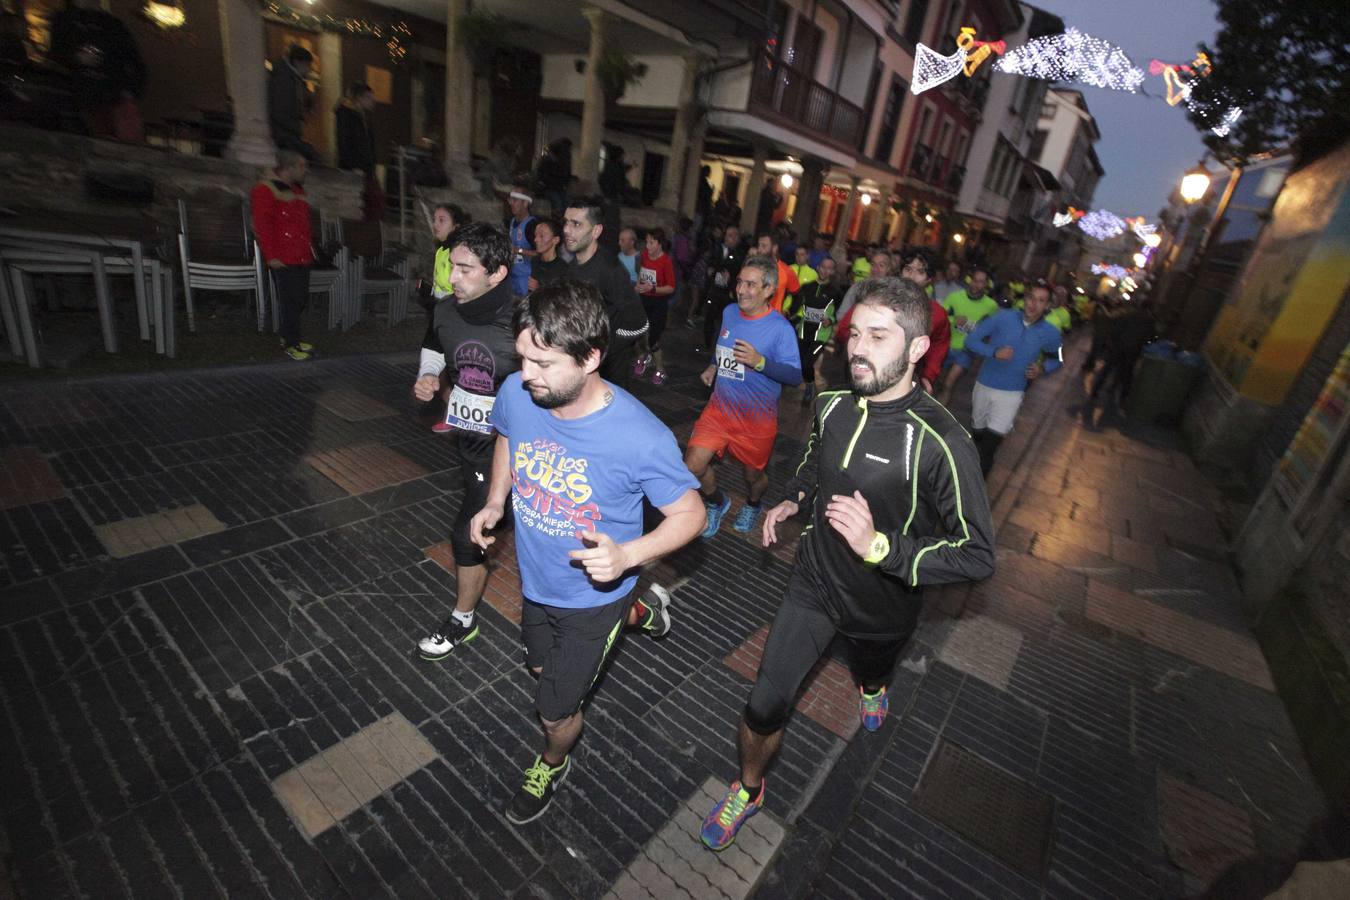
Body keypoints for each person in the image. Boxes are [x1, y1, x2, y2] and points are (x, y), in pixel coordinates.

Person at [699, 276, 995, 852]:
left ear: (914, 350)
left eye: (877, 337)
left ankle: (875, 683)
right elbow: (813, 464)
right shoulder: (833, 405)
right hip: (813, 583)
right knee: (764, 703)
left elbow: (978, 552)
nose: (857, 348)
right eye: (855, 332)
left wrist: (880, 548)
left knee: (872, 666)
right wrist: (794, 497)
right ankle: (751, 786)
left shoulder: (943, 441)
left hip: (884, 604)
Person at [479, 279, 706, 823]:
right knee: (539, 670)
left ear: (591, 356)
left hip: (594, 594)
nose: (526, 374)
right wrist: (494, 502)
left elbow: (691, 514)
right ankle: (643, 611)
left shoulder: (639, 436)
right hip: (536, 583)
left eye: (543, 363)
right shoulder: (519, 392)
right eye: (522, 358)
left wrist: (627, 557)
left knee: (554, 710)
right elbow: (508, 435)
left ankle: (552, 762)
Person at [411, 222, 522, 660]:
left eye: (465, 269)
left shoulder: (523, 318)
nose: (452, 277)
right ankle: (466, 617)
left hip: (523, 449)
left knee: (473, 534)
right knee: (476, 530)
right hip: (473, 443)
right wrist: (427, 375)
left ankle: (463, 620)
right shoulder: (444, 309)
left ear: (496, 273)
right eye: (451, 267)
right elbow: (435, 344)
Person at [685, 255, 801, 537]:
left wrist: (759, 361)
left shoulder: (780, 329)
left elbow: (795, 376)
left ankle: (753, 503)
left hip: (756, 420)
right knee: (692, 466)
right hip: (720, 410)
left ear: (768, 290)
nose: (741, 290)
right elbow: (722, 344)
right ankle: (716, 502)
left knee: (753, 477)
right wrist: (713, 365)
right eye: (740, 282)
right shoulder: (730, 312)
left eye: (751, 284)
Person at [963, 281, 1064, 475]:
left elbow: (1058, 358)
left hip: (1013, 393)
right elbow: (971, 340)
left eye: (1041, 301)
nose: (1033, 304)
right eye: (1031, 298)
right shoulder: (1002, 317)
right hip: (985, 384)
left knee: (990, 445)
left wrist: (1042, 368)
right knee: (978, 433)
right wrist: (994, 352)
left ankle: (976, 488)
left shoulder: (1050, 332)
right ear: (1024, 298)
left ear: (1048, 306)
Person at [560, 196, 649, 387]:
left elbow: (639, 323)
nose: (567, 229)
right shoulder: (571, 268)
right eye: (566, 222)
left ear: (596, 231)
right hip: (580, 368)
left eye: (576, 224)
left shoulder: (611, 270)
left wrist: (604, 348)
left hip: (608, 378)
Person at [50, 0, 145, 141]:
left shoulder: (113, 24)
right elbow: (55, 56)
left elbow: (135, 63)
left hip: (112, 98)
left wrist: (128, 92)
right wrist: (77, 58)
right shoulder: (65, 20)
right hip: (79, 98)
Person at [251, 150, 314, 361]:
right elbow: (262, 226)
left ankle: (291, 336)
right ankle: (290, 343)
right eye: (302, 166)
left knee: (299, 299)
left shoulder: (297, 190)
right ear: (290, 167)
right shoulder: (265, 189)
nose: (306, 171)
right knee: (290, 300)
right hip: (284, 256)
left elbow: (303, 224)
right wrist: (271, 255)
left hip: (301, 254)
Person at [936, 267, 998, 405]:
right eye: (974, 280)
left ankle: (939, 414)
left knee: (949, 382)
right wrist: (954, 320)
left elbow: (993, 330)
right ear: (970, 280)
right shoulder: (955, 297)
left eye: (981, 282)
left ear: (986, 285)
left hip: (967, 350)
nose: (976, 285)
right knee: (937, 381)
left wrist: (980, 332)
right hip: (946, 345)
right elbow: (940, 316)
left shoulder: (991, 305)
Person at [898, 249, 951, 394]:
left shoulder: (937, 313)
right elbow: (846, 329)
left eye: (920, 272)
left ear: (929, 279)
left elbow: (938, 347)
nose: (911, 276)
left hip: (908, 380)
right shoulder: (879, 300)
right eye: (908, 269)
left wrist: (928, 376)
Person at [791, 255, 839, 407]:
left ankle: (810, 388)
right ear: (818, 268)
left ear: (833, 271)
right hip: (804, 331)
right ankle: (810, 383)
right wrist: (787, 313)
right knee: (801, 362)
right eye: (823, 267)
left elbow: (840, 314)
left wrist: (830, 320)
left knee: (807, 363)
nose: (825, 270)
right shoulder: (807, 287)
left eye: (829, 268)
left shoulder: (835, 292)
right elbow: (796, 305)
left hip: (821, 335)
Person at [334, 82, 384, 222]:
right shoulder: (346, 116)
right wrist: (352, 166)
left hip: (367, 168)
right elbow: (344, 142)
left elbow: (368, 144)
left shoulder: (363, 117)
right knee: (360, 206)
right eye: (369, 97)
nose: (372, 101)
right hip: (355, 168)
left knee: (374, 205)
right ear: (360, 98)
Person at [633, 227, 677, 385]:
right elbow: (642, 273)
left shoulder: (666, 261)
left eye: (651, 242)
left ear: (659, 244)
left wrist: (652, 288)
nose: (647, 246)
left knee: (653, 339)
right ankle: (642, 357)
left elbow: (671, 287)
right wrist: (638, 285)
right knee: (637, 333)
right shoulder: (644, 255)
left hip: (659, 302)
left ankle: (660, 369)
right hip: (644, 299)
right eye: (646, 242)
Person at [699, 225, 746, 353]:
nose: (733, 239)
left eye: (735, 236)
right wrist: (716, 272)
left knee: (724, 321)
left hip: (728, 293)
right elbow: (710, 266)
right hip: (714, 289)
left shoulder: (740, 254)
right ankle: (707, 344)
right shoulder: (716, 249)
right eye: (730, 235)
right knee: (709, 317)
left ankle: (720, 346)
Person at [267, 45, 316, 161]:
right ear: (298, 63)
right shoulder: (284, 80)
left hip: (286, 132)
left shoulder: (293, 79)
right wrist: (295, 128)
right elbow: (280, 110)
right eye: (308, 65)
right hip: (283, 134)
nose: (309, 70)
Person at [751, 232, 800, 315]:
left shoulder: (786, 271)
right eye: (758, 245)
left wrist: (788, 312)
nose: (759, 249)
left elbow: (798, 296)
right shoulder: (751, 266)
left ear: (774, 248)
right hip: (750, 317)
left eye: (764, 246)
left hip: (771, 321)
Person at [505, 189, 536, 297]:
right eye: (510, 199)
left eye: (515, 200)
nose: (511, 203)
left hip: (526, 279)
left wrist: (518, 250)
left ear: (525, 203)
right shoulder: (512, 221)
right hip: (513, 276)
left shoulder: (532, 225)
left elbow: (540, 253)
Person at [528, 217, 568, 292]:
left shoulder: (563, 269)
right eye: (535, 235)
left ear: (555, 240)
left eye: (541, 236)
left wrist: (539, 289)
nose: (536, 239)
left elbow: (562, 298)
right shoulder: (535, 261)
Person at [536, 137, 572, 214]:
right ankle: (557, 220)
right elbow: (542, 176)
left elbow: (565, 176)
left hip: (558, 188)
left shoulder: (564, 161)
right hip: (548, 188)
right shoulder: (547, 160)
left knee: (567, 203)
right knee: (558, 203)